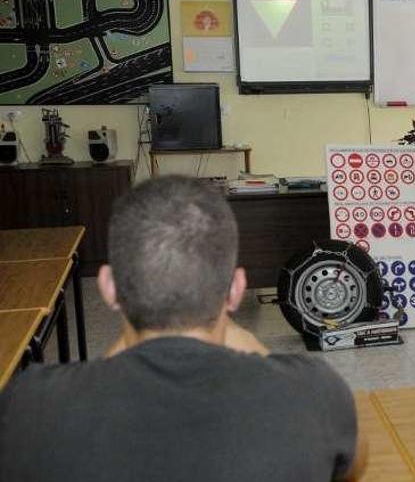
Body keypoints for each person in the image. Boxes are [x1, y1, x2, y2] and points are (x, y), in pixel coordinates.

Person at [0, 176, 367, 482]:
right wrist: (256, 349)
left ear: (109, 287)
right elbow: (353, 468)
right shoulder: (315, 391)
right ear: (236, 289)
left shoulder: (29, 404)